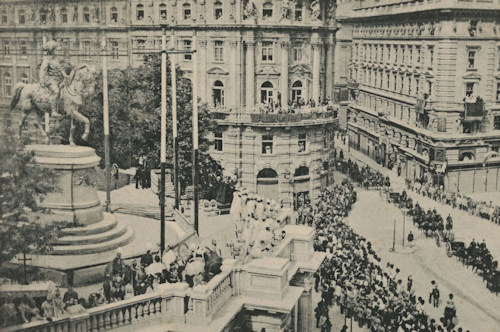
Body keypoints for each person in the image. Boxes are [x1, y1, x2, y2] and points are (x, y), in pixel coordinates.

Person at [39, 40, 67, 117]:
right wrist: (42, 80)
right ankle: (54, 111)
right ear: (51, 50)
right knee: (56, 91)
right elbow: (42, 70)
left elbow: (60, 68)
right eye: (55, 49)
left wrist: (65, 75)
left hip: (59, 79)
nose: (57, 51)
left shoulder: (55, 59)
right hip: (50, 80)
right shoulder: (47, 60)